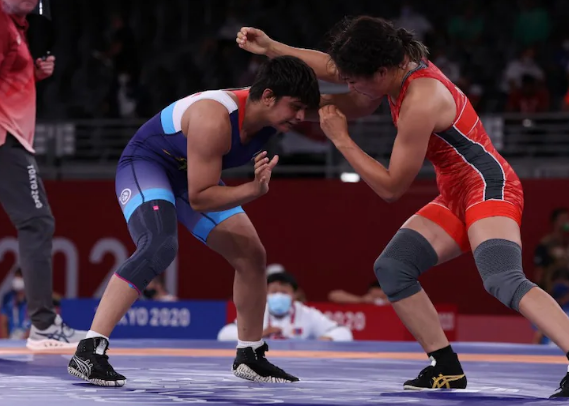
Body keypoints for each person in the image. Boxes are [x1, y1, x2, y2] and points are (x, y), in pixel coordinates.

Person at [237, 17, 569, 398]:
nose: (348, 86)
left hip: (488, 187)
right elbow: (335, 67)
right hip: (456, 192)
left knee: (501, 278)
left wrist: (342, 140)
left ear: (381, 72)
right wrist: (273, 48)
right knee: (394, 268)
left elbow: (392, 187)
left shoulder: (420, 99)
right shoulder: (396, 64)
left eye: (354, 81)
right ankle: (444, 367)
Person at [67, 55, 321, 387]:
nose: (301, 117)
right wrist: (252, 190)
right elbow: (201, 196)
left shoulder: (273, 110)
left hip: (189, 172)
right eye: (297, 107)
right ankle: (89, 351)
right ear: (269, 96)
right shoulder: (214, 118)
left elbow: (349, 99)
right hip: (147, 164)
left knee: (251, 254)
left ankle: (250, 354)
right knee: (158, 244)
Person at [0, 0, 85, 353]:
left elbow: (0, 82)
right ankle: (45, 325)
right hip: (1, 142)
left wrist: (34, 73)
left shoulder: (15, 27)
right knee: (37, 222)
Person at [218, 271, 353, 342]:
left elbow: (344, 333)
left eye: (284, 292)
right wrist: (257, 334)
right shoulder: (255, 312)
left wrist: (327, 339)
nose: (279, 296)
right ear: (265, 293)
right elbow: (224, 335)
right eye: (274, 292)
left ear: (294, 295)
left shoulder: (307, 313)